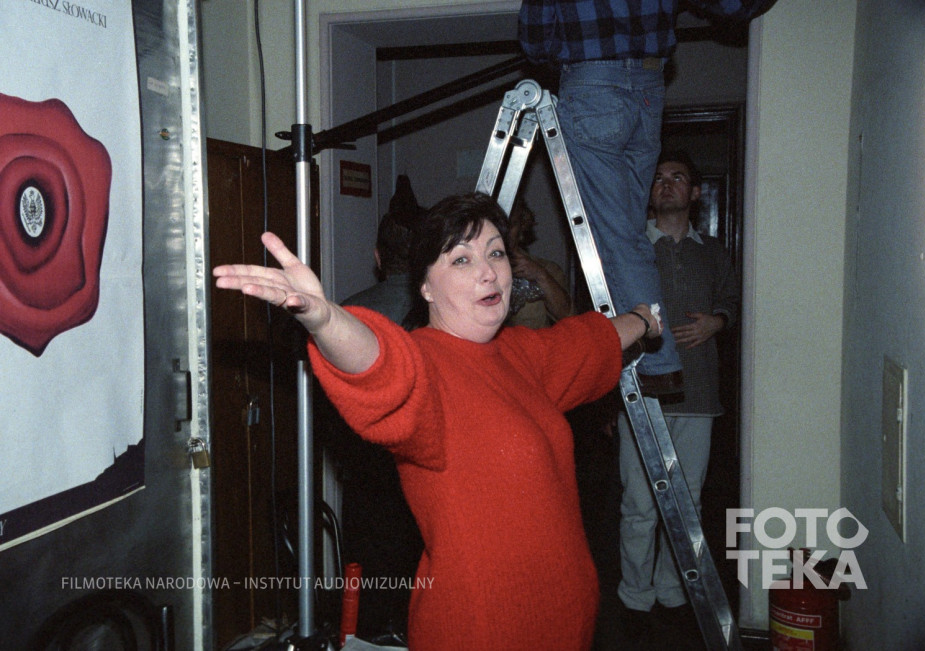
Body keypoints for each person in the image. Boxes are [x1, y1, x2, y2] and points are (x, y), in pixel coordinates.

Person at [213, 192, 662, 651]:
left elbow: (587, 343)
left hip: (568, 622)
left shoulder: (519, 353)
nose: (488, 272)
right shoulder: (428, 365)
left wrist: (643, 319)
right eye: (461, 259)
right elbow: (382, 368)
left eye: (496, 253)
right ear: (425, 286)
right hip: (482, 631)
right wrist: (325, 319)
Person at [518, 0, 775, 393]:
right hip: (650, 87)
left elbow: (536, 42)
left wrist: (574, 56)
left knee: (618, 237)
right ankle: (651, 350)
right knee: (629, 234)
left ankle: (658, 360)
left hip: (593, 84)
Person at [616, 150, 739, 635]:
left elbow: (732, 300)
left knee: (687, 501)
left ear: (695, 192)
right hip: (641, 394)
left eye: (678, 177)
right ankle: (634, 595)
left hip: (699, 394)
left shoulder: (713, 252)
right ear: (648, 192)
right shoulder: (630, 249)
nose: (666, 184)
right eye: (659, 178)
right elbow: (608, 320)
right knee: (639, 504)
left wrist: (717, 321)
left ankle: (673, 590)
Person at [328, 175, 424, 641]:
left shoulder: (346, 315)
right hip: (420, 470)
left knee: (363, 586)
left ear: (378, 258)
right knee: (419, 583)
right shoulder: (440, 317)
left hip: (365, 471)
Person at [505, 197, 572, 328]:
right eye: (498, 226)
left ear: (522, 225)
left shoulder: (547, 269)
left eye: (510, 225)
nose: (503, 233)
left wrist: (541, 276)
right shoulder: (476, 272)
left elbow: (571, 320)